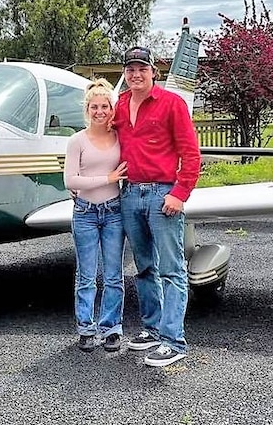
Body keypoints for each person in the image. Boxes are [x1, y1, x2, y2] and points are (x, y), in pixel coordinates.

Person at [113, 46, 201, 367]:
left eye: (142, 69)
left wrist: (180, 193)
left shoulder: (172, 104)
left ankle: (173, 340)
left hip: (162, 194)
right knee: (144, 265)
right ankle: (151, 328)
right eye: (130, 69)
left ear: (153, 72)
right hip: (130, 194)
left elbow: (191, 154)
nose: (136, 74)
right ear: (125, 73)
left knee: (172, 268)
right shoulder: (120, 106)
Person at [63, 79, 128, 353]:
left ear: (112, 110)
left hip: (114, 211)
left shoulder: (119, 138)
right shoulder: (76, 140)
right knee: (86, 276)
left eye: (105, 106)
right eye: (94, 106)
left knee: (114, 275)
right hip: (85, 213)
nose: (99, 111)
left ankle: (111, 328)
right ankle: (86, 328)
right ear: (87, 109)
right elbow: (70, 180)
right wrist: (109, 178)